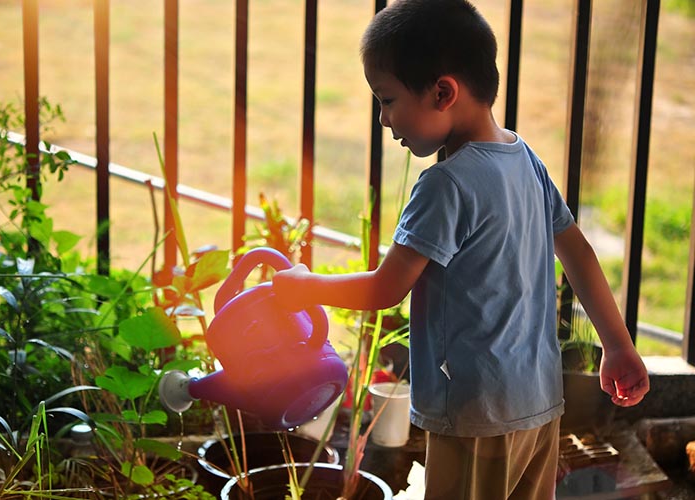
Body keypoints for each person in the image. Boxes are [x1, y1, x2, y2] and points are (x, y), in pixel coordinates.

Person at [271, 0, 650, 498]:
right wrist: (618, 345)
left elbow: (386, 288)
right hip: (538, 404)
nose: (385, 120)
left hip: (477, 416)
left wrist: (304, 288)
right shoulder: (524, 159)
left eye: (387, 100)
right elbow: (577, 252)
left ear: (443, 91)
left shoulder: (445, 185)